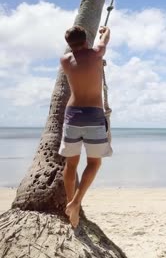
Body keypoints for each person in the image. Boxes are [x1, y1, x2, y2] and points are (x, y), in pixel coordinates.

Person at [58, 25, 113, 228]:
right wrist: (104, 31)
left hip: (72, 115)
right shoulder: (96, 53)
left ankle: (70, 202)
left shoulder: (65, 60)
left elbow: (79, 56)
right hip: (93, 114)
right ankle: (76, 203)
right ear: (86, 39)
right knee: (94, 163)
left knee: (70, 165)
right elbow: (105, 38)